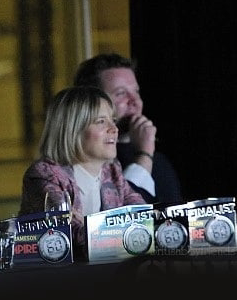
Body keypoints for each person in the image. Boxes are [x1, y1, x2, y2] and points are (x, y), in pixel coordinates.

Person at [19, 86, 146, 257]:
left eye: (113, 120)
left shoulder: (111, 170)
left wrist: (90, 226)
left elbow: (144, 218)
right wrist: (125, 227)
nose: (114, 129)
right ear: (73, 129)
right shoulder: (44, 174)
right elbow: (72, 238)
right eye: (101, 121)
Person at [73, 53, 183, 205]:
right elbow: (120, 212)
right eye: (121, 93)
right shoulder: (85, 164)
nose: (135, 101)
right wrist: (144, 156)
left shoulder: (159, 162)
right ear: (91, 103)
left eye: (136, 91)